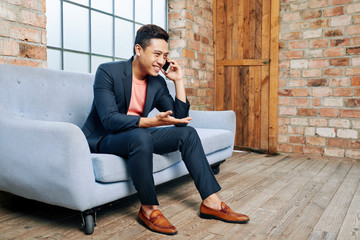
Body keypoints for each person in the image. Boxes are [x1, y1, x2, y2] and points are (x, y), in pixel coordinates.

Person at [81, 24, 249, 235]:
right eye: (157, 54)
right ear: (139, 50)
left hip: (137, 134)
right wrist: (149, 122)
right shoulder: (108, 72)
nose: (162, 61)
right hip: (106, 137)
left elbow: (180, 119)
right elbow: (109, 120)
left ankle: (211, 202)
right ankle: (149, 209)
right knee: (141, 136)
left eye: (165, 55)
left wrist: (178, 81)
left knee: (187, 134)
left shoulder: (157, 82)